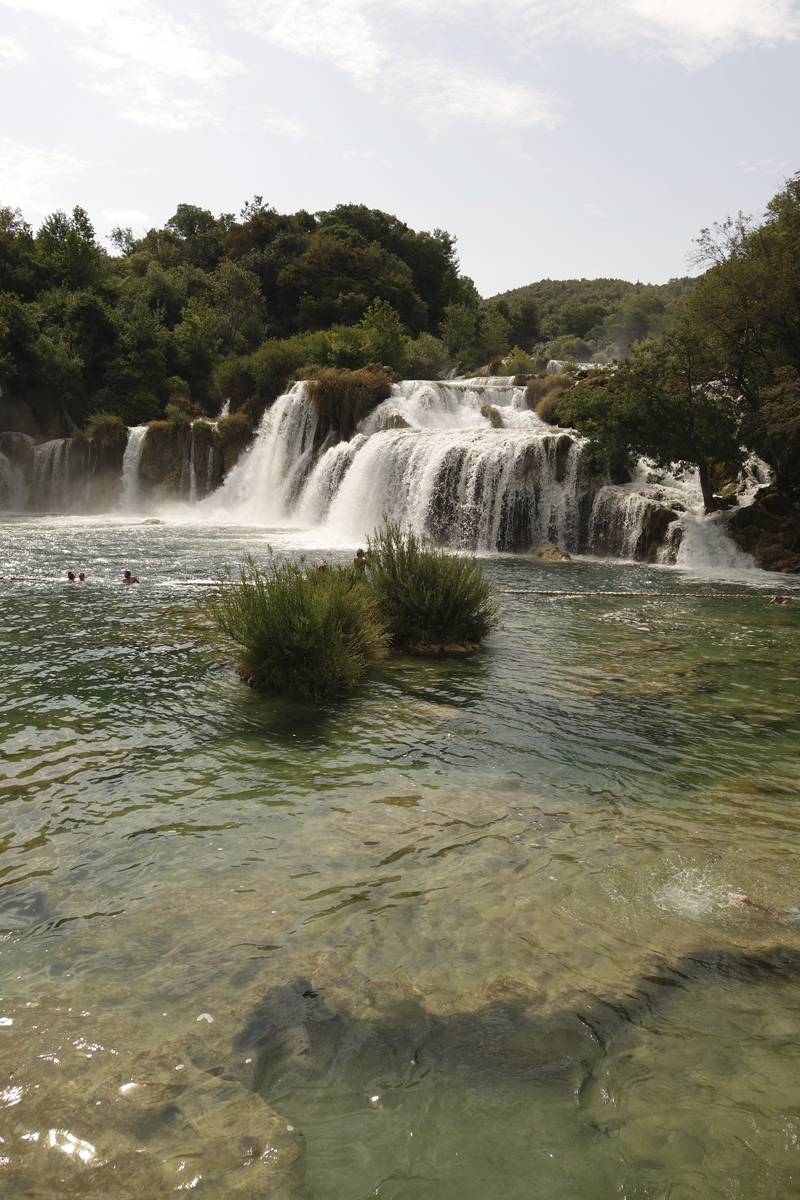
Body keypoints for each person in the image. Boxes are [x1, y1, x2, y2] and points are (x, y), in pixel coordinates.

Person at [730, 893, 800, 927]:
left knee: (774, 910)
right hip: (797, 920)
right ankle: (739, 917)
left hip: (797, 909)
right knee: (770, 920)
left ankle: (751, 902)